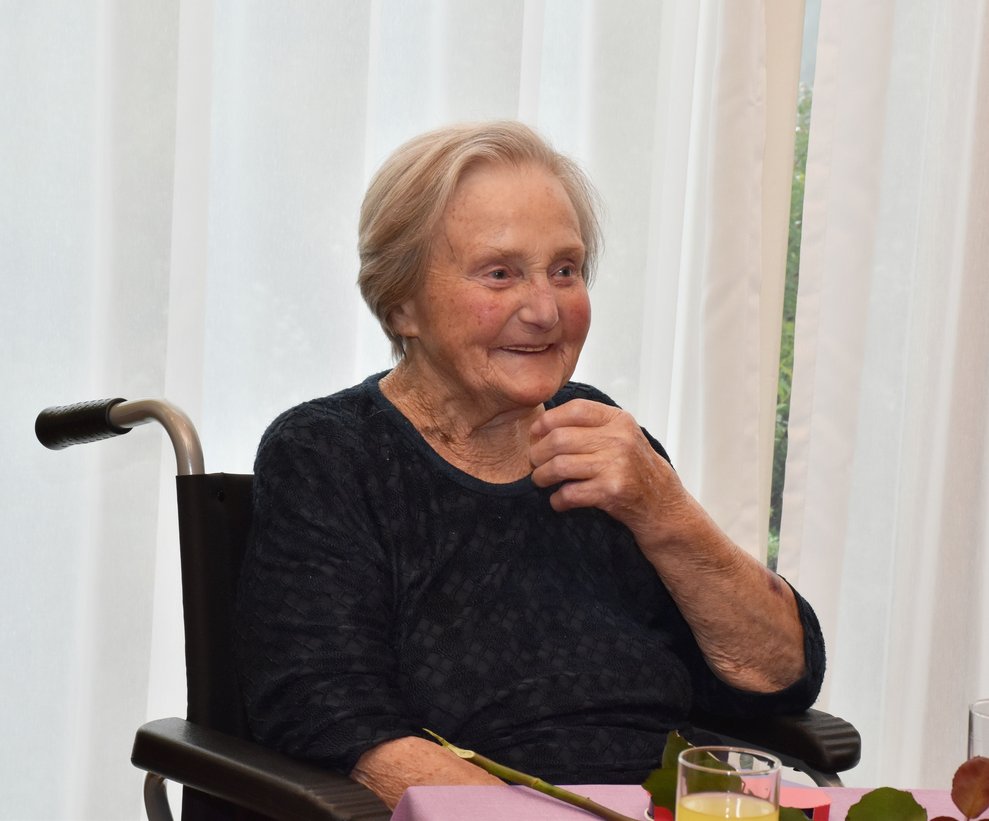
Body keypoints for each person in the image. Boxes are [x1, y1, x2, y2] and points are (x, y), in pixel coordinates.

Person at [235, 121, 825, 810]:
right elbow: (330, 714)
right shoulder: (331, 454)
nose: (546, 310)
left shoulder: (601, 437)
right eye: (500, 273)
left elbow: (778, 673)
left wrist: (662, 510)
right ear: (402, 304)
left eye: (565, 270)